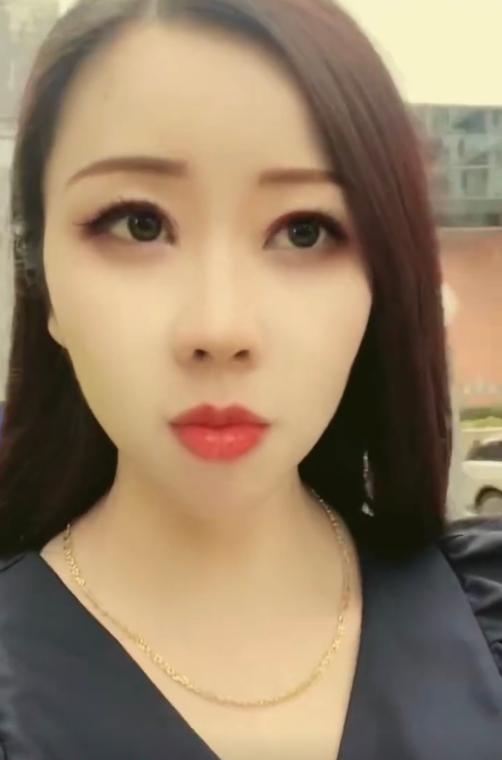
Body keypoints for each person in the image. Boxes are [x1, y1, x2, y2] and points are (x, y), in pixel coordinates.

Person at [0, 0, 500, 758]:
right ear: (43, 286)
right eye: (139, 223)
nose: (221, 328)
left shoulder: (483, 619)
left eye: (304, 230)